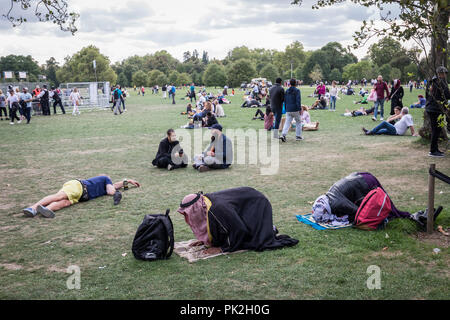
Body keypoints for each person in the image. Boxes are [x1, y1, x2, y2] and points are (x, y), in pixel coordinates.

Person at [177, 187, 299, 254]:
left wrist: (222, 248)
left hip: (256, 204)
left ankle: (268, 229)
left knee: (257, 242)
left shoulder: (216, 209)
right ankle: (266, 228)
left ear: (196, 208)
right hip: (245, 204)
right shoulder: (206, 205)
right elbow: (219, 227)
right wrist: (204, 241)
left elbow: (238, 229)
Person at [313, 172, 412, 225]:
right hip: (361, 177)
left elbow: (358, 212)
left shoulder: (337, 203)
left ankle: (401, 215)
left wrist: (347, 219)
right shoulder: (328, 197)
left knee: (385, 206)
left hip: (366, 182)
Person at [22, 175, 141, 218]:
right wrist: (116, 194)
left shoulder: (107, 186)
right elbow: (111, 190)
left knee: (65, 203)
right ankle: (32, 208)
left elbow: (114, 186)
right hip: (78, 186)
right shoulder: (106, 178)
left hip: (81, 197)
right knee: (59, 196)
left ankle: (46, 210)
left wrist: (128, 181)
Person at [425, 66, 450, 157]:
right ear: (440, 73)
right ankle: (433, 151)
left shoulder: (431, 81)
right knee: (436, 129)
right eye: (444, 73)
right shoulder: (440, 81)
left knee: (435, 129)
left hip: (430, 107)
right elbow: (447, 94)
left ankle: (434, 149)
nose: (444, 75)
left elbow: (427, 95)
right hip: (436, 108)